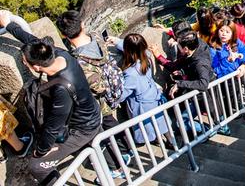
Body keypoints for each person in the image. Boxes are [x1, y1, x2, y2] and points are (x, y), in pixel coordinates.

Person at [0, 13, 102, 186]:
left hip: (83, 128)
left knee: (37, 166)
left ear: (37, 67)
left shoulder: (62, 89)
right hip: (89, 111)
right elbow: (31, 39)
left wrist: (41, 151)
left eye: (25, 62)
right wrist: (9, 25)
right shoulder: (58, 53)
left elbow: (53, 126)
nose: (24, 62)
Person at [55, 10, 131, 178]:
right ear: (82, 25)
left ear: (63, 35)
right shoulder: (97, 37)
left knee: (101, 136)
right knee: (114, 125)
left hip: (98, 105)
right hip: (115, 90)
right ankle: (128, 150)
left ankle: (117, 168)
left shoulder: (75, 61)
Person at [118, 34, 170, 144]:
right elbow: (134, 47)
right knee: (162, 123)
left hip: (142, 106)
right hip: (154, 97)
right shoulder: (146, 57)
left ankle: (158, 141)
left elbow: (121, 95)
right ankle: (172, 143)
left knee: (150, 128)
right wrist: (117, 41)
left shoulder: (131, 74)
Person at [150, 29, 213, 99]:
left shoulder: (200, 64)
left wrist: (179, 84)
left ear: (185, 49)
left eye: (178, 45)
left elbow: (203, 84)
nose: (177, 46)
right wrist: (183, 71)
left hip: (208, 97)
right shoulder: (196, 44)